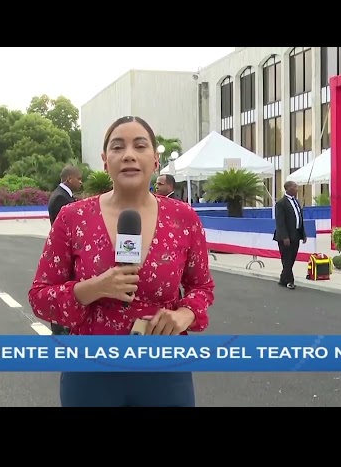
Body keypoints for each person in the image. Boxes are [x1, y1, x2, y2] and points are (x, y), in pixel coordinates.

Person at [28, 116, 215, 407]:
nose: (129, 154)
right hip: (91, 372)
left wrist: (184, 315)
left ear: (155, 160)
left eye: (140, 146)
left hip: (164, 370)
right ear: (105, 161)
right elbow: (40, 297)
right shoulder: (72, 218)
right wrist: (93, 288)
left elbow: (202, 288)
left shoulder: (184, 218)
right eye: (118, 147)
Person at [47, 165, 83, 336]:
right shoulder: (61, 199)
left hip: (64, 252)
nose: (81, 182)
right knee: (64, 290)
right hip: (64, 253)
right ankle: (61, 330)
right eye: (79, 179)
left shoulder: (61, 195)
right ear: (69, 179)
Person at [273, 181, 307, 290]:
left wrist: (303, 234)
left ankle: (283, 279)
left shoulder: (296, 201)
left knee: (292, 258)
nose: (297, 189)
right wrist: (284, 237)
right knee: (287, 259)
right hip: (286, 236)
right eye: (294, 187)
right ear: (288, 189)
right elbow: (280, 222)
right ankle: (290, 281)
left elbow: (299, 219)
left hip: (296, 234)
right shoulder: (281, 203)